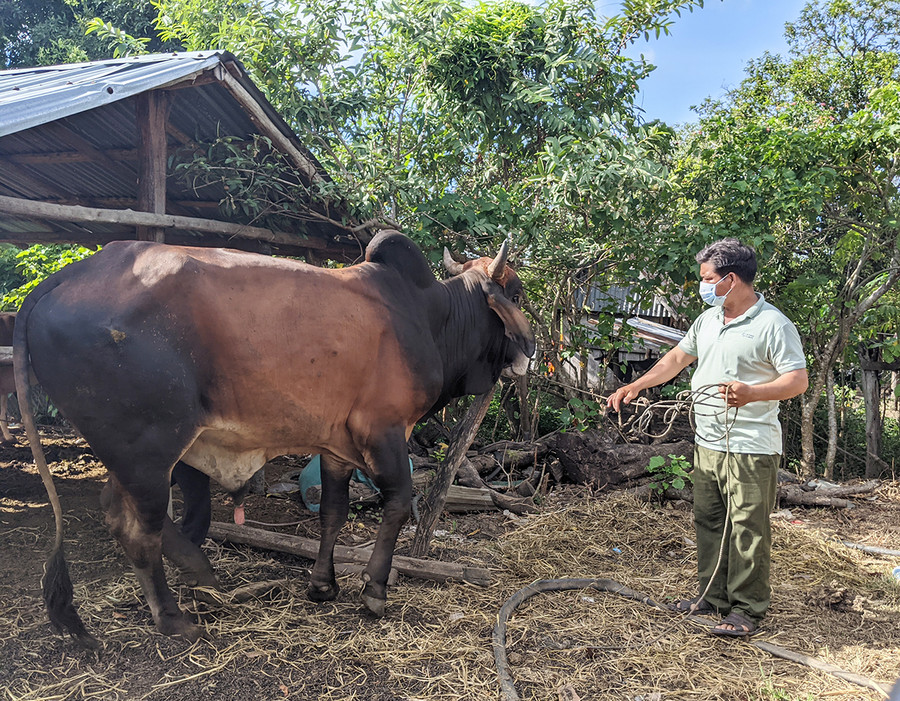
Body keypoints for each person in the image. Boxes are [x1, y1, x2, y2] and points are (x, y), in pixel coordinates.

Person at [607, 238, 808, 637]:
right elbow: (677, 358)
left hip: (751, 445)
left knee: (748, 527)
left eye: (708, 278)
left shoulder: (773, 324)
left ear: (731, 279)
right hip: (710, 441)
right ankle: (711, 599)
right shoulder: (708, 320)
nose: (704, 286)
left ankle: (746, 610)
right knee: (710, 520)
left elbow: (797, 380)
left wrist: (753, 393)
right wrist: (638, 385)